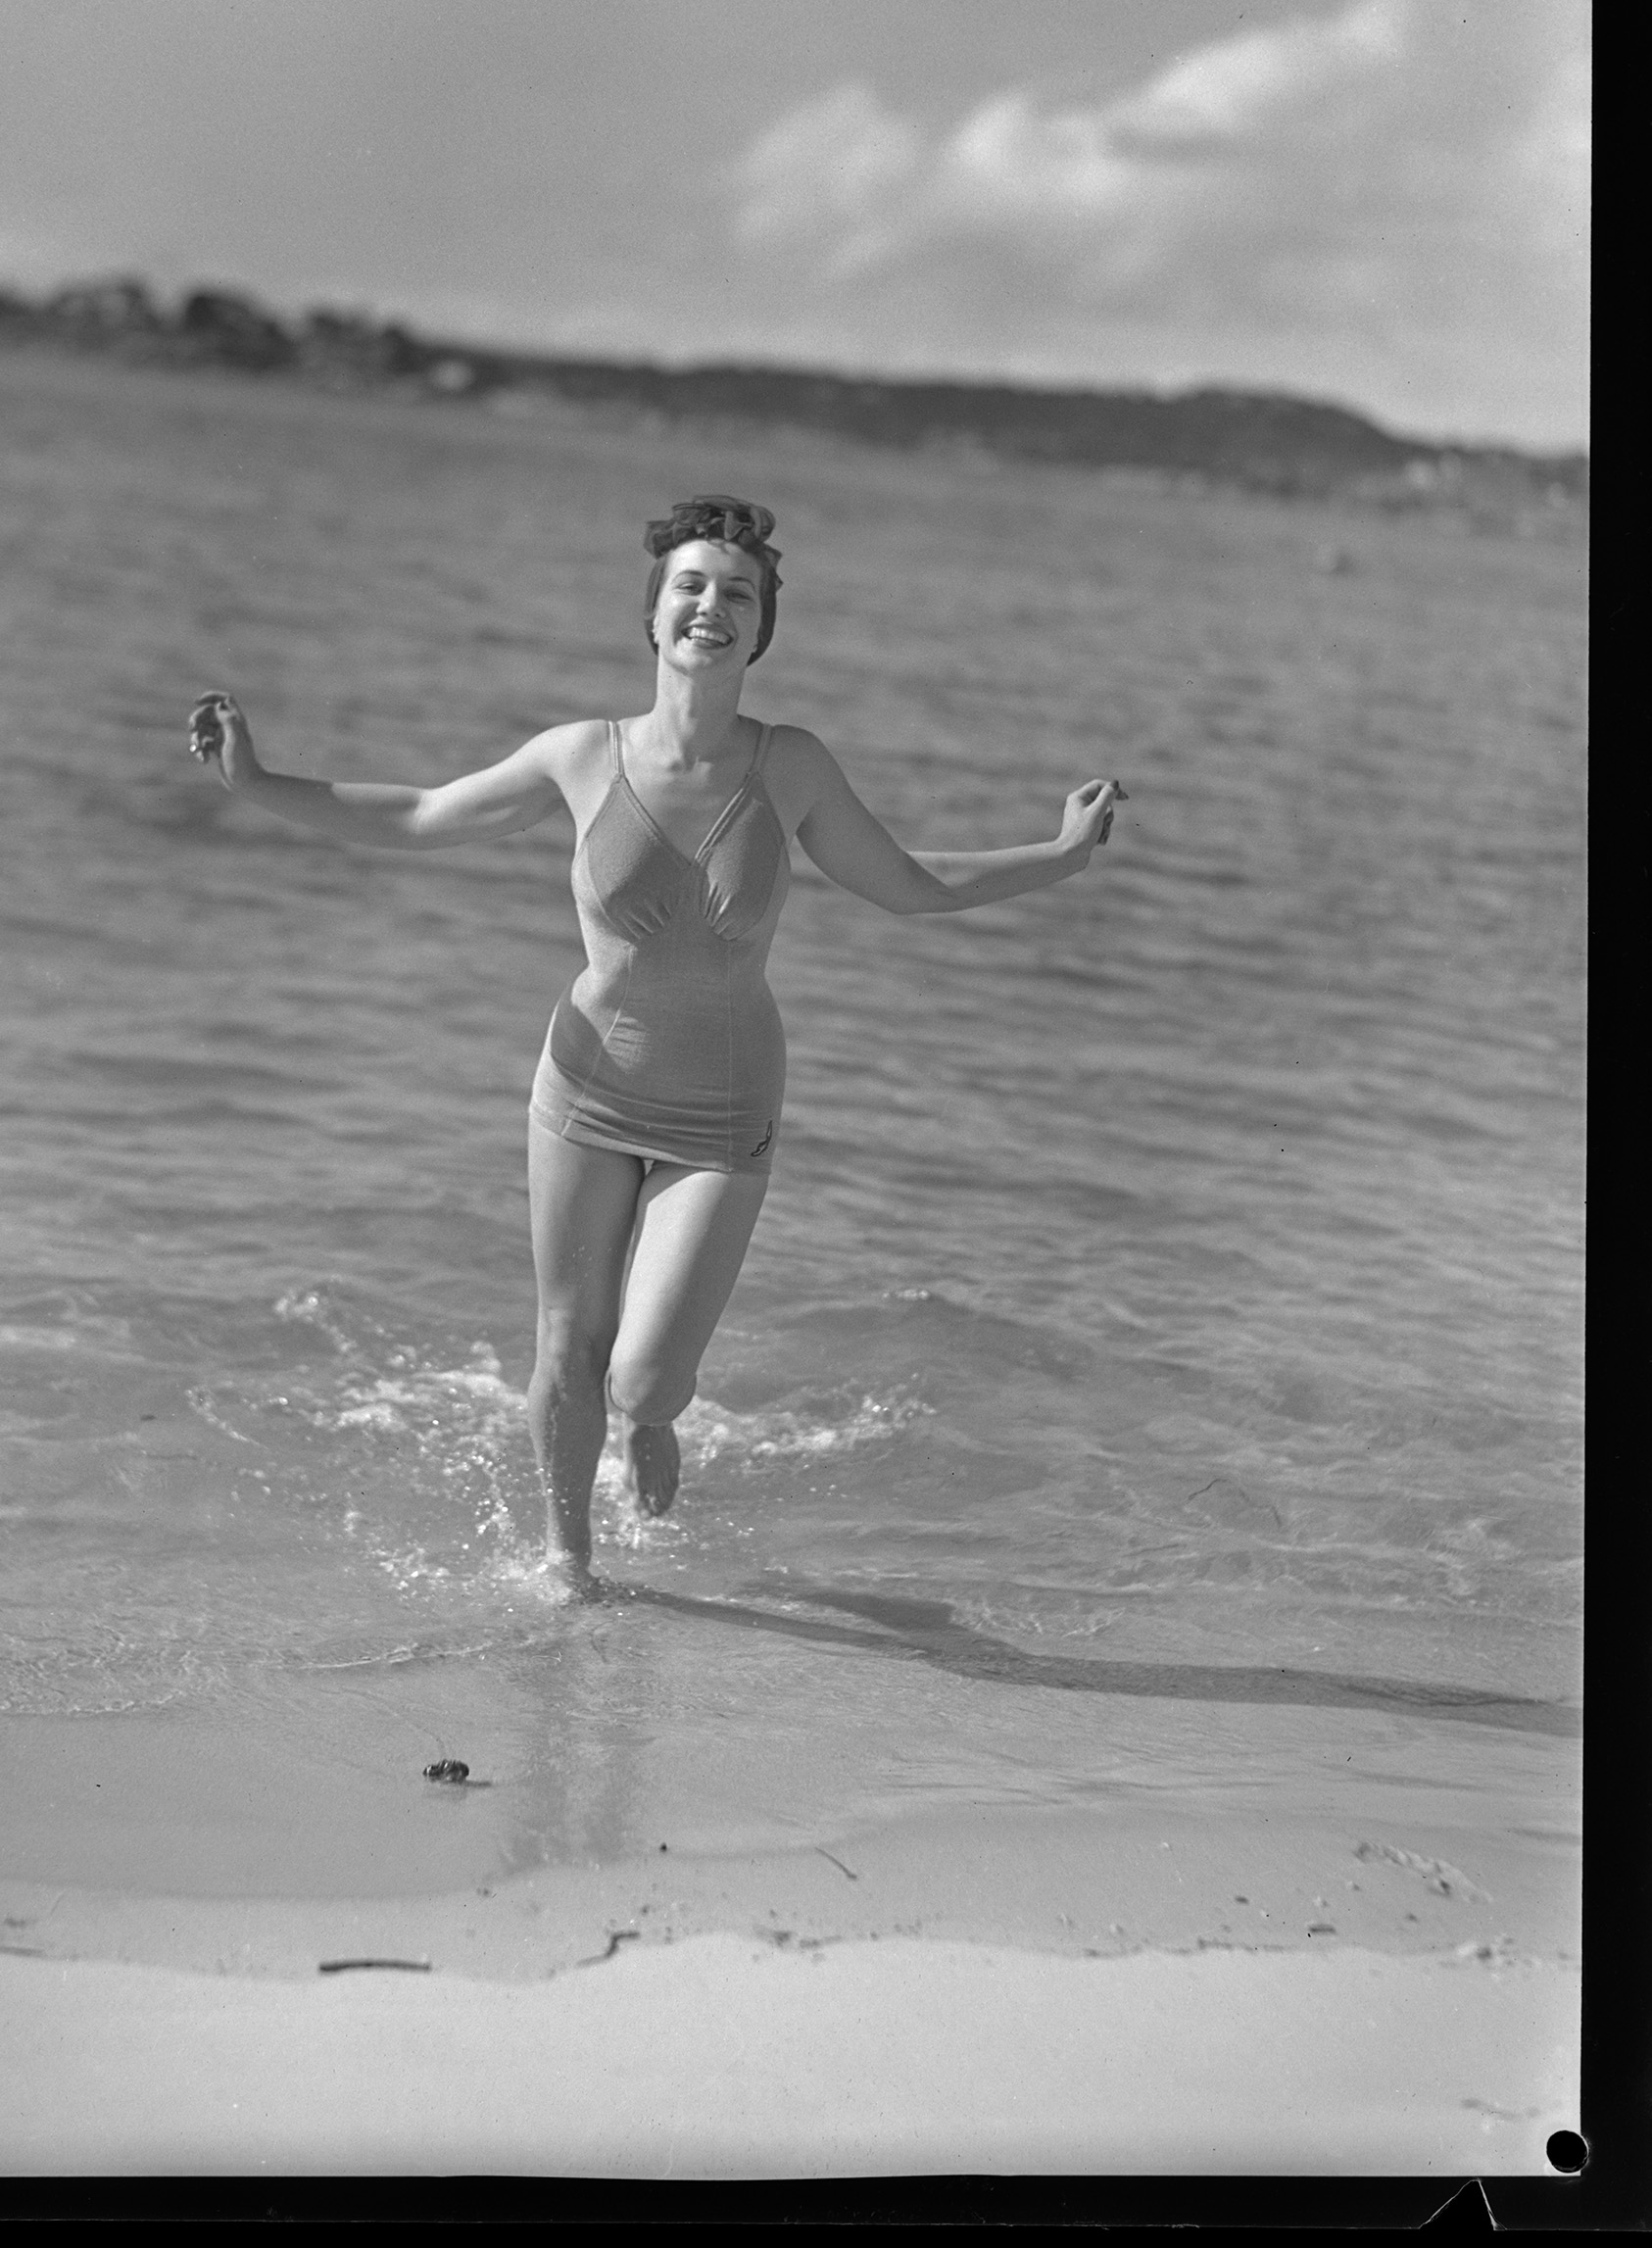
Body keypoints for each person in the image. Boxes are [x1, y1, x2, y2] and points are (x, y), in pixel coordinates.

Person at [189, 494, 1125, 1595]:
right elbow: (417, 814)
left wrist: (1059, 855)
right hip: (583, 1088)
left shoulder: (791, 766)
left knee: (640, 1376)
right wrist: (253, 781)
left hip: (721, 1113)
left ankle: (646, 1422)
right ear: (652, 612)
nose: (710, 605)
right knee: (564, 1342)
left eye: (737, 592)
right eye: (689, 584)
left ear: (760, 626)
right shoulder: (580, 755)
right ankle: (565, 1562)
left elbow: (909, 886)